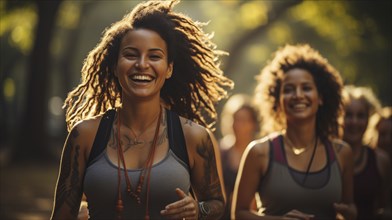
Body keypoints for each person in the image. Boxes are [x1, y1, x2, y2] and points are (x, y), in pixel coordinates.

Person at [50, 0, 233, 219]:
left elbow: (217, 204)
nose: (142, 64)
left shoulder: (193, 137)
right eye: (131, 54)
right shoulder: (85, 135)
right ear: (115, 66)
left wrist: (198, 210)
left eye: (154, 56)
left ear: (169, 69)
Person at [232, 44, 357, 220]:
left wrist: (351, 214)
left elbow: (350, 207)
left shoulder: (342, 153)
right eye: (288, 89)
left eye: (306, 88)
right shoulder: (259, 152)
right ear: (278, 100)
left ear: (320, 97)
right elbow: (238, 214)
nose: (298, 95)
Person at [342, 85, 391, 220]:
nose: (354, 122)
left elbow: (384, 205)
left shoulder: (381, 160)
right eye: (348, 115)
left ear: (368, 119)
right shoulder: (325, 156)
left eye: (360, 116)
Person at [219, 94, 261, 219]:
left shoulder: (260, 153)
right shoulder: (221, 151)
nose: (239, 125)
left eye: (244, 120)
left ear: (253, 124)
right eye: (235, 119)